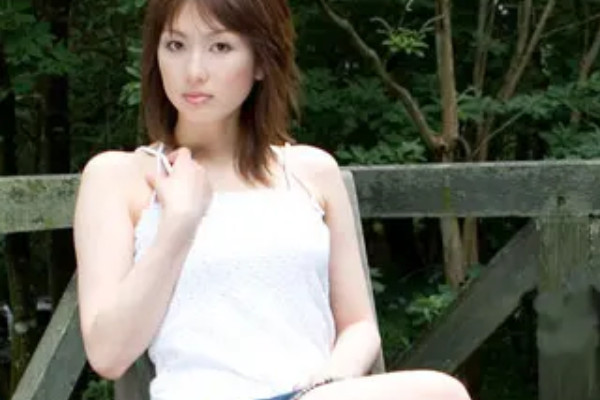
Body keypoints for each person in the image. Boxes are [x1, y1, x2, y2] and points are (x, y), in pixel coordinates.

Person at [73, 1, 472, 399]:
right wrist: (179, 223)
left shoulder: (311, 172)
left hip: (313, 394)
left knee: (441, 393)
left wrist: (330, 382)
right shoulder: (119, 177)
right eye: (175, 45)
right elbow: (108, 354)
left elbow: (359, 325)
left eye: (220, 47)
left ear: (261, 61)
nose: (193, 71)